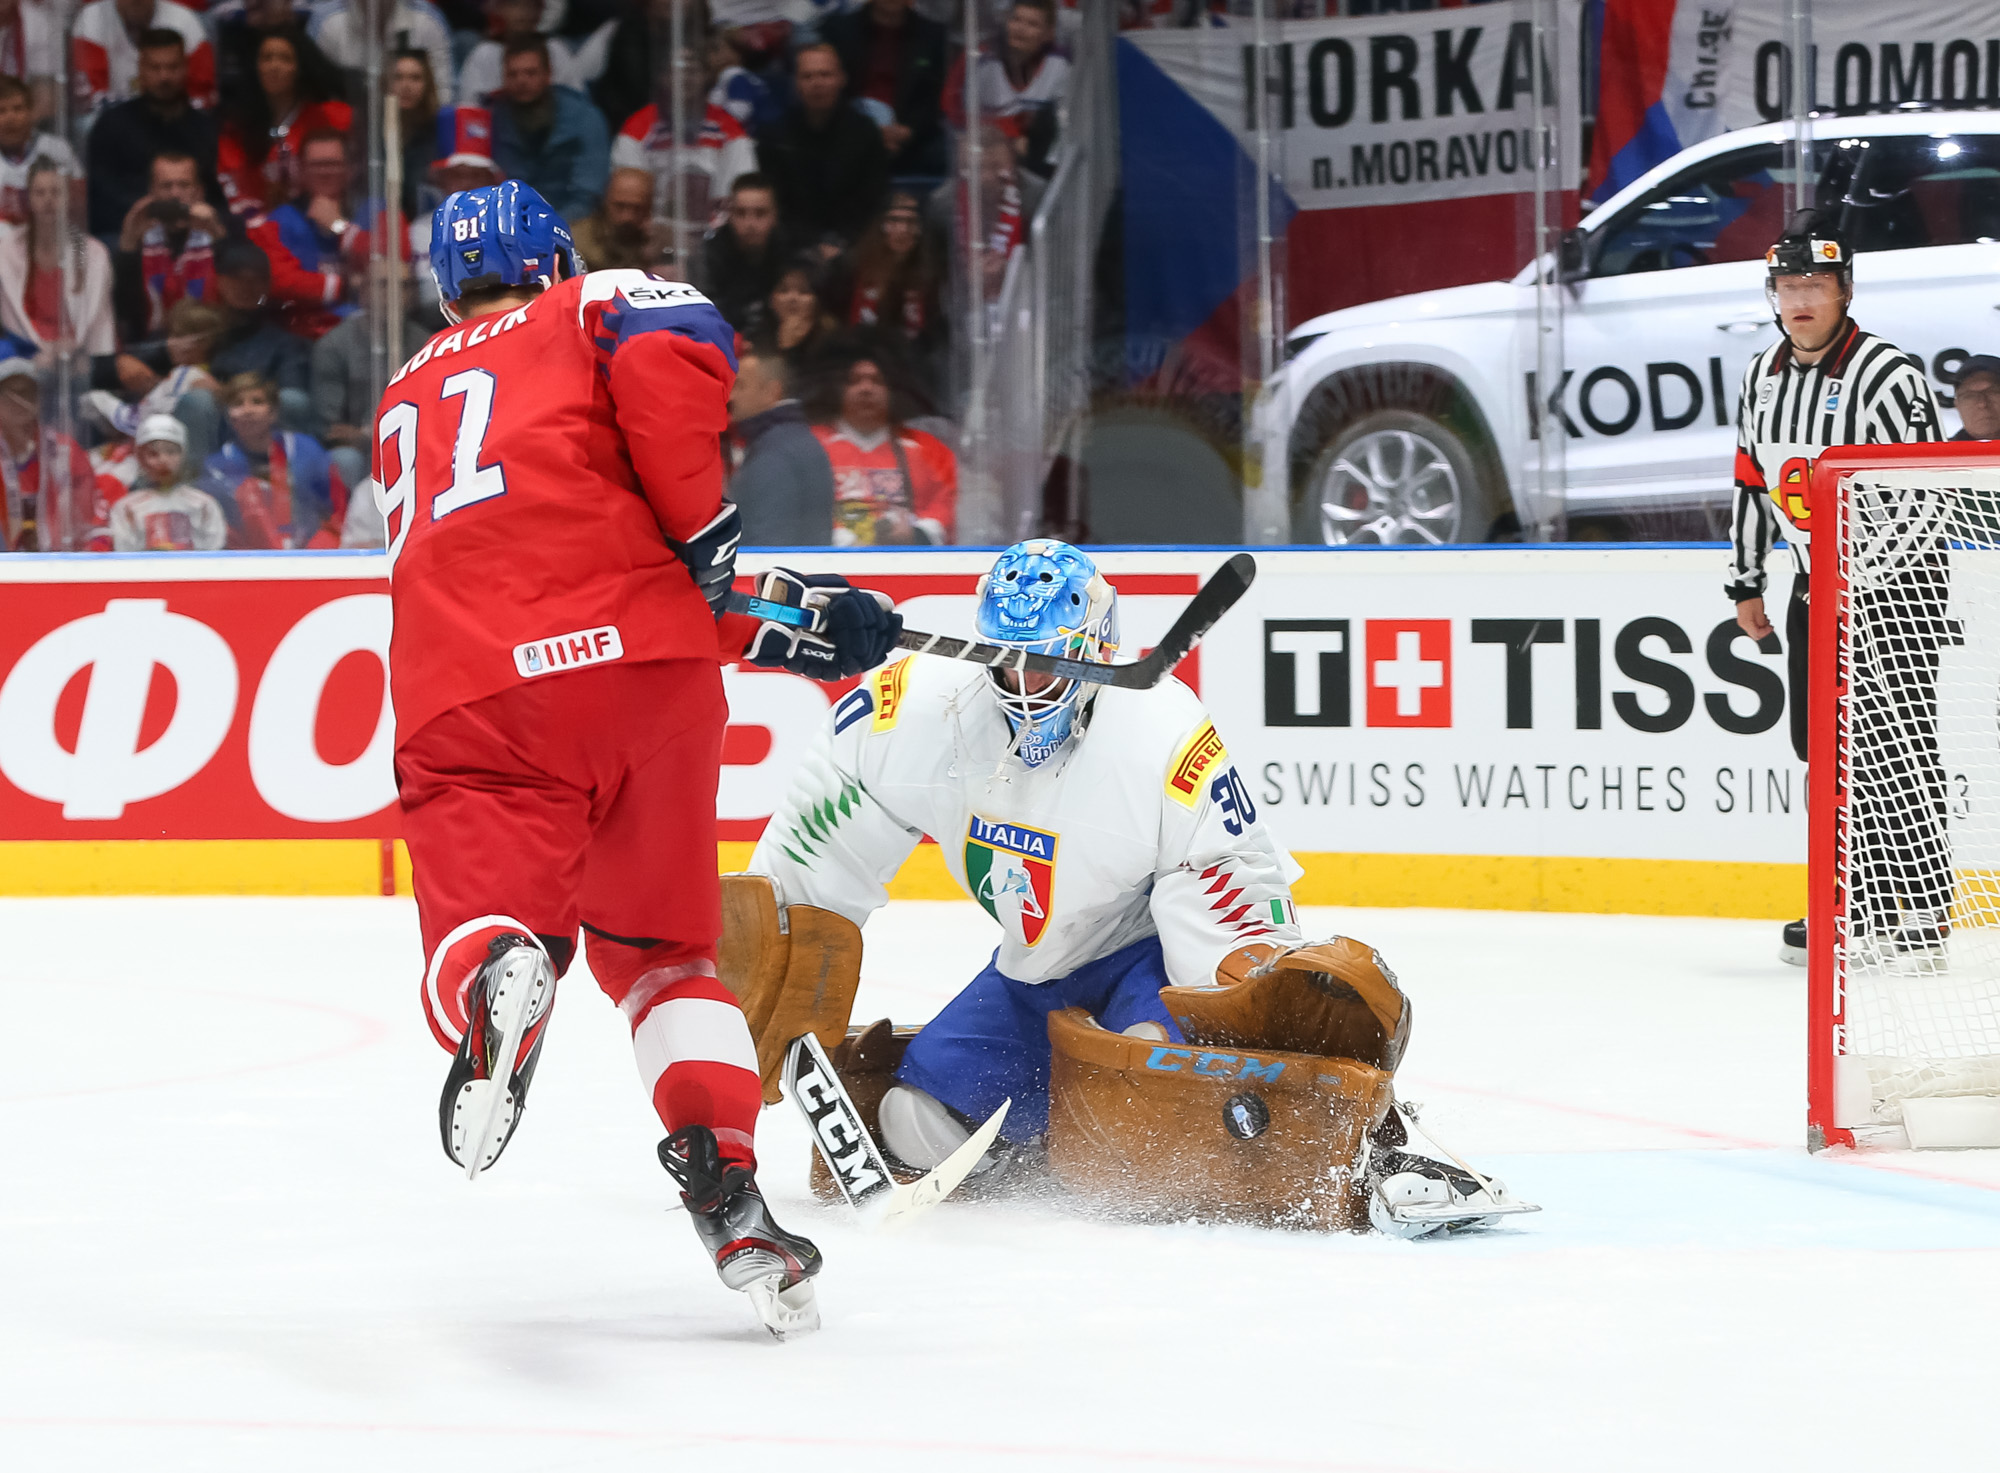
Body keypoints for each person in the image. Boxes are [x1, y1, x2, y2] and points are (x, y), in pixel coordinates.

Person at [375, 180, 899, 1337]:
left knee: (480, 929)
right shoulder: (596, 302)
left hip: (476, 702)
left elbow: (534, 555)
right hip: (649, 684)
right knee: (668, 958)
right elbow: (673, 354)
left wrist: (786, 616)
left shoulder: (403, 397)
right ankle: (729, 1189)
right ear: (553, 256)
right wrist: (758, 582)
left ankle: (499, 973)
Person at [739, 539, 1525, 1237]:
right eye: (1006, 660)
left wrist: (1239, 999)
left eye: (1044, 661)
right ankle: (1046, 1140)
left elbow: (1228, 880)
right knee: (911, 1121)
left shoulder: (1162, 734)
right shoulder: (920, 705)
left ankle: (1369, 1144)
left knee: (1146, 1099)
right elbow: (829, 818)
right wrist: (784, 920)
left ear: (1092, 648)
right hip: (1033, 970)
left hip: (1142, 953)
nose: (1021, 683)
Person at [1725, 210, 1945, 966]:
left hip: (1898, 584)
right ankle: (1850, 895)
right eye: (1787, 284)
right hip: (1816, 585)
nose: (1800, 298)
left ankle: (1917, 901)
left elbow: (1927, 490)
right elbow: (1752, 480)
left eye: (1815, 283)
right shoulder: (1761, 374)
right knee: (1822, 746)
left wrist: (1867, 581)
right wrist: (1746, 579)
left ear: (1845, 289)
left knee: (1894, 740)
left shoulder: (1891, 373)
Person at [311, 258, 437, 490]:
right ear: (364, 291)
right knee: (343, 459)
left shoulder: (428, 345)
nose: (395, 292)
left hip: (415, 442)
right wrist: (368, 437)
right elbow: (331, 429)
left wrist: (362, 434)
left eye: (405, 285)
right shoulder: (335, 345)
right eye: (383, 284)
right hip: (361, 452)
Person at [84, 27, 220, 241]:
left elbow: (213, 192)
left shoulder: (204, 127)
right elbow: (101, 196)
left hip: (193, 232)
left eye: (172, 67)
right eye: (155, 68)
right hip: (129, 234)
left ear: (185, 68)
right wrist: (155, 214)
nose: (164, 76)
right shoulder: (111, 125)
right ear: (140, 71)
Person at [755, 43, 890, 251]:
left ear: (841, 79)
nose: (817, 83)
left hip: (854, 244)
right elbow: (776, 203)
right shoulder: (775, 136)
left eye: (825, 75)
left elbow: (873, 198)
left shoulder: (864, 131)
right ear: (796, 83)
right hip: (793, 247)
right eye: (807, 76)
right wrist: (810, 248)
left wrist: (841, 241)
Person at [814, 351, 954, 545]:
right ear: (836, 389)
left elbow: (946, 503)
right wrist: (846, 541)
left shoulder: (927, 449)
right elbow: (801, 511)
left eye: (877, 381)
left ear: (893, 390)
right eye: (854, 381)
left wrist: (916, 534)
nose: (866, 389)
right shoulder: (811, 446)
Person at [216, 27, 353, 220]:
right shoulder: (237, 127)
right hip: (254, 230)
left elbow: (354, 176)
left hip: (320, 223)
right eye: (267, 58)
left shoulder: (332, 117)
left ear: (300, 67)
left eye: (285, 59)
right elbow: (231, 184)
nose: (274, 66)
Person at [247, 129, 371, 341]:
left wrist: (340, 227)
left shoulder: (373, 211)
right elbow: (278, 280)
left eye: (333, 164)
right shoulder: (280, 220)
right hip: (300, 335)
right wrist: (345, 285)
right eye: (316, 165)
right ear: (301, 170)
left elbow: (390, 260)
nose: (324, 172)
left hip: (366, 332)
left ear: (349, 169)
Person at [200, 370, 344, 547]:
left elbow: (332, 508)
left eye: (257, 402)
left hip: (310, 553)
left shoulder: (306, 450)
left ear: (273, 412)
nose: (248, 410)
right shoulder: (217, 467)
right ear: (228, 416)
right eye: (238, 404)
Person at [0, 159, 116, 366]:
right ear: (28, 199)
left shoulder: (94, 253)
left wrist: (84, 357)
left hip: (79, 357)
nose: (48, 200)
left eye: (56, 192)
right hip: (22, 357)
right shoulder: (4, 250)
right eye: (40, 193)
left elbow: (100, 325)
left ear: (69, 198)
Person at [489, 36, 609, 224]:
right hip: (508, 224)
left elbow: (588, 195)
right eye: (513, 74)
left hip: (574, 222)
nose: (521, 81)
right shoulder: (492, 119)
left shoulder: (584, 117)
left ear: (548, 74)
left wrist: (546, 227)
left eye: (530, 73)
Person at [821, 0, 947, 178]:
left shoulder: (933, 35)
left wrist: (908, 131)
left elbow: (935, 97)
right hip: (850, 131)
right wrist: (864, 131)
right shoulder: (838, 29)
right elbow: (832, 91)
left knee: (944, 153)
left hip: (908, 136)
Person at [111, 150, 223, 343]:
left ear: (199, 191)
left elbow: (237, 295)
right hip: (151, 345)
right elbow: (123, 311)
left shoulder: (221, 231)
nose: (175, 194)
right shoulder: (137, 238)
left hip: (211, 342)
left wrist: (219, 237)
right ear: (152, 192)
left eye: (184, 185)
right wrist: (128, 246)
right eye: (166, 186)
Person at [840, 190, 941, 396]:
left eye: (911, 222)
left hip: (914, 371)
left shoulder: (935, 273)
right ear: (880, 225)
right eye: (894, 221)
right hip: (859, 360)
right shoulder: (851, 268)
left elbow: (934, 337)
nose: (902, 230)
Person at [729, 343, 832, 544]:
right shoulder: (793, 439)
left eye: (741, 386)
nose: (731, 396)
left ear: (772, 391)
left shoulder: (775, 451)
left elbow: (768, 540)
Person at [0, 358, 106, 551]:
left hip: (56, 565)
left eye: (27, 393)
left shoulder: (65, 451)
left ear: (39, 399)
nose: (19, 401)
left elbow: (89, 516)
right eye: (8, 393)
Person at [70, 0, 214, 120]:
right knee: (87, 122)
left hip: (174, 124)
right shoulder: (92, 20)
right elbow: (91, 101)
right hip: (113, 127)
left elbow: (202, 98)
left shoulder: (184, 21)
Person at [108, 413, 228, 551]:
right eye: (153, 454)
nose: (163, 460)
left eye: (171, 452)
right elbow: (125, 554)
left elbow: (214, 552)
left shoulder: (204, 504)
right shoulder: (126, 508)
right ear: (140, 458)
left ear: (184, 455)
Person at [310, 0, 454, 102]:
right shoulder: (331, 25)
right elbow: (320, 94)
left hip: (413, 127)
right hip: (349, 125)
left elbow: (442, 93)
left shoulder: (427, 23)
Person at [456, 0, 590, 103]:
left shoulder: (556, 50)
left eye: (530, 5)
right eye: (515, 4)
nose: (523, 12)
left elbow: (578, 105)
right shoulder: (484, 54)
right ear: (500, 9)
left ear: (540, 11)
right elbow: (469, 110)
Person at [700, 172, 784, 333]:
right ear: (730, 215)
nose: (750, 223)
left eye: (760, 213)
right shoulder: (708, 256)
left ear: (775, 216)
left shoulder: (790, 252)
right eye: (741, 213)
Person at [0, 76, 77, 225]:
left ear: (31, 112)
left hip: (51, 238)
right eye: (1, 111)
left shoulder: (56, 149)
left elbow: (77, 204)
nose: (11, 118)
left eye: (18, 108)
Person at [569, 167, 666, 274]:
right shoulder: (577, 240)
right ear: (605, 201)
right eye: (620, 206)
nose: (627, 217)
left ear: (649, 207)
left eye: (638, 208)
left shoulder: (663, 241)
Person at [389, 49, 442, 223]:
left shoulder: (440, 131)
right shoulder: (370, 132)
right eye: (398, 77)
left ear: (428, 85)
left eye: (415, 78)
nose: (406, 86)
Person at [765, 253, 838, 373]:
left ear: (818, 301)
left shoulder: (832, 341)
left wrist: (790, 350)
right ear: (771, 300)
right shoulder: (759, 336)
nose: (793, 298)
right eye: (784, 290)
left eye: (804, 291)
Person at [1952, 355, 2000, 442]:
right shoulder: (1935, 454)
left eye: (1993, 392)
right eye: (1970, 396)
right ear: (1957, 405)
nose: (1982, 404)